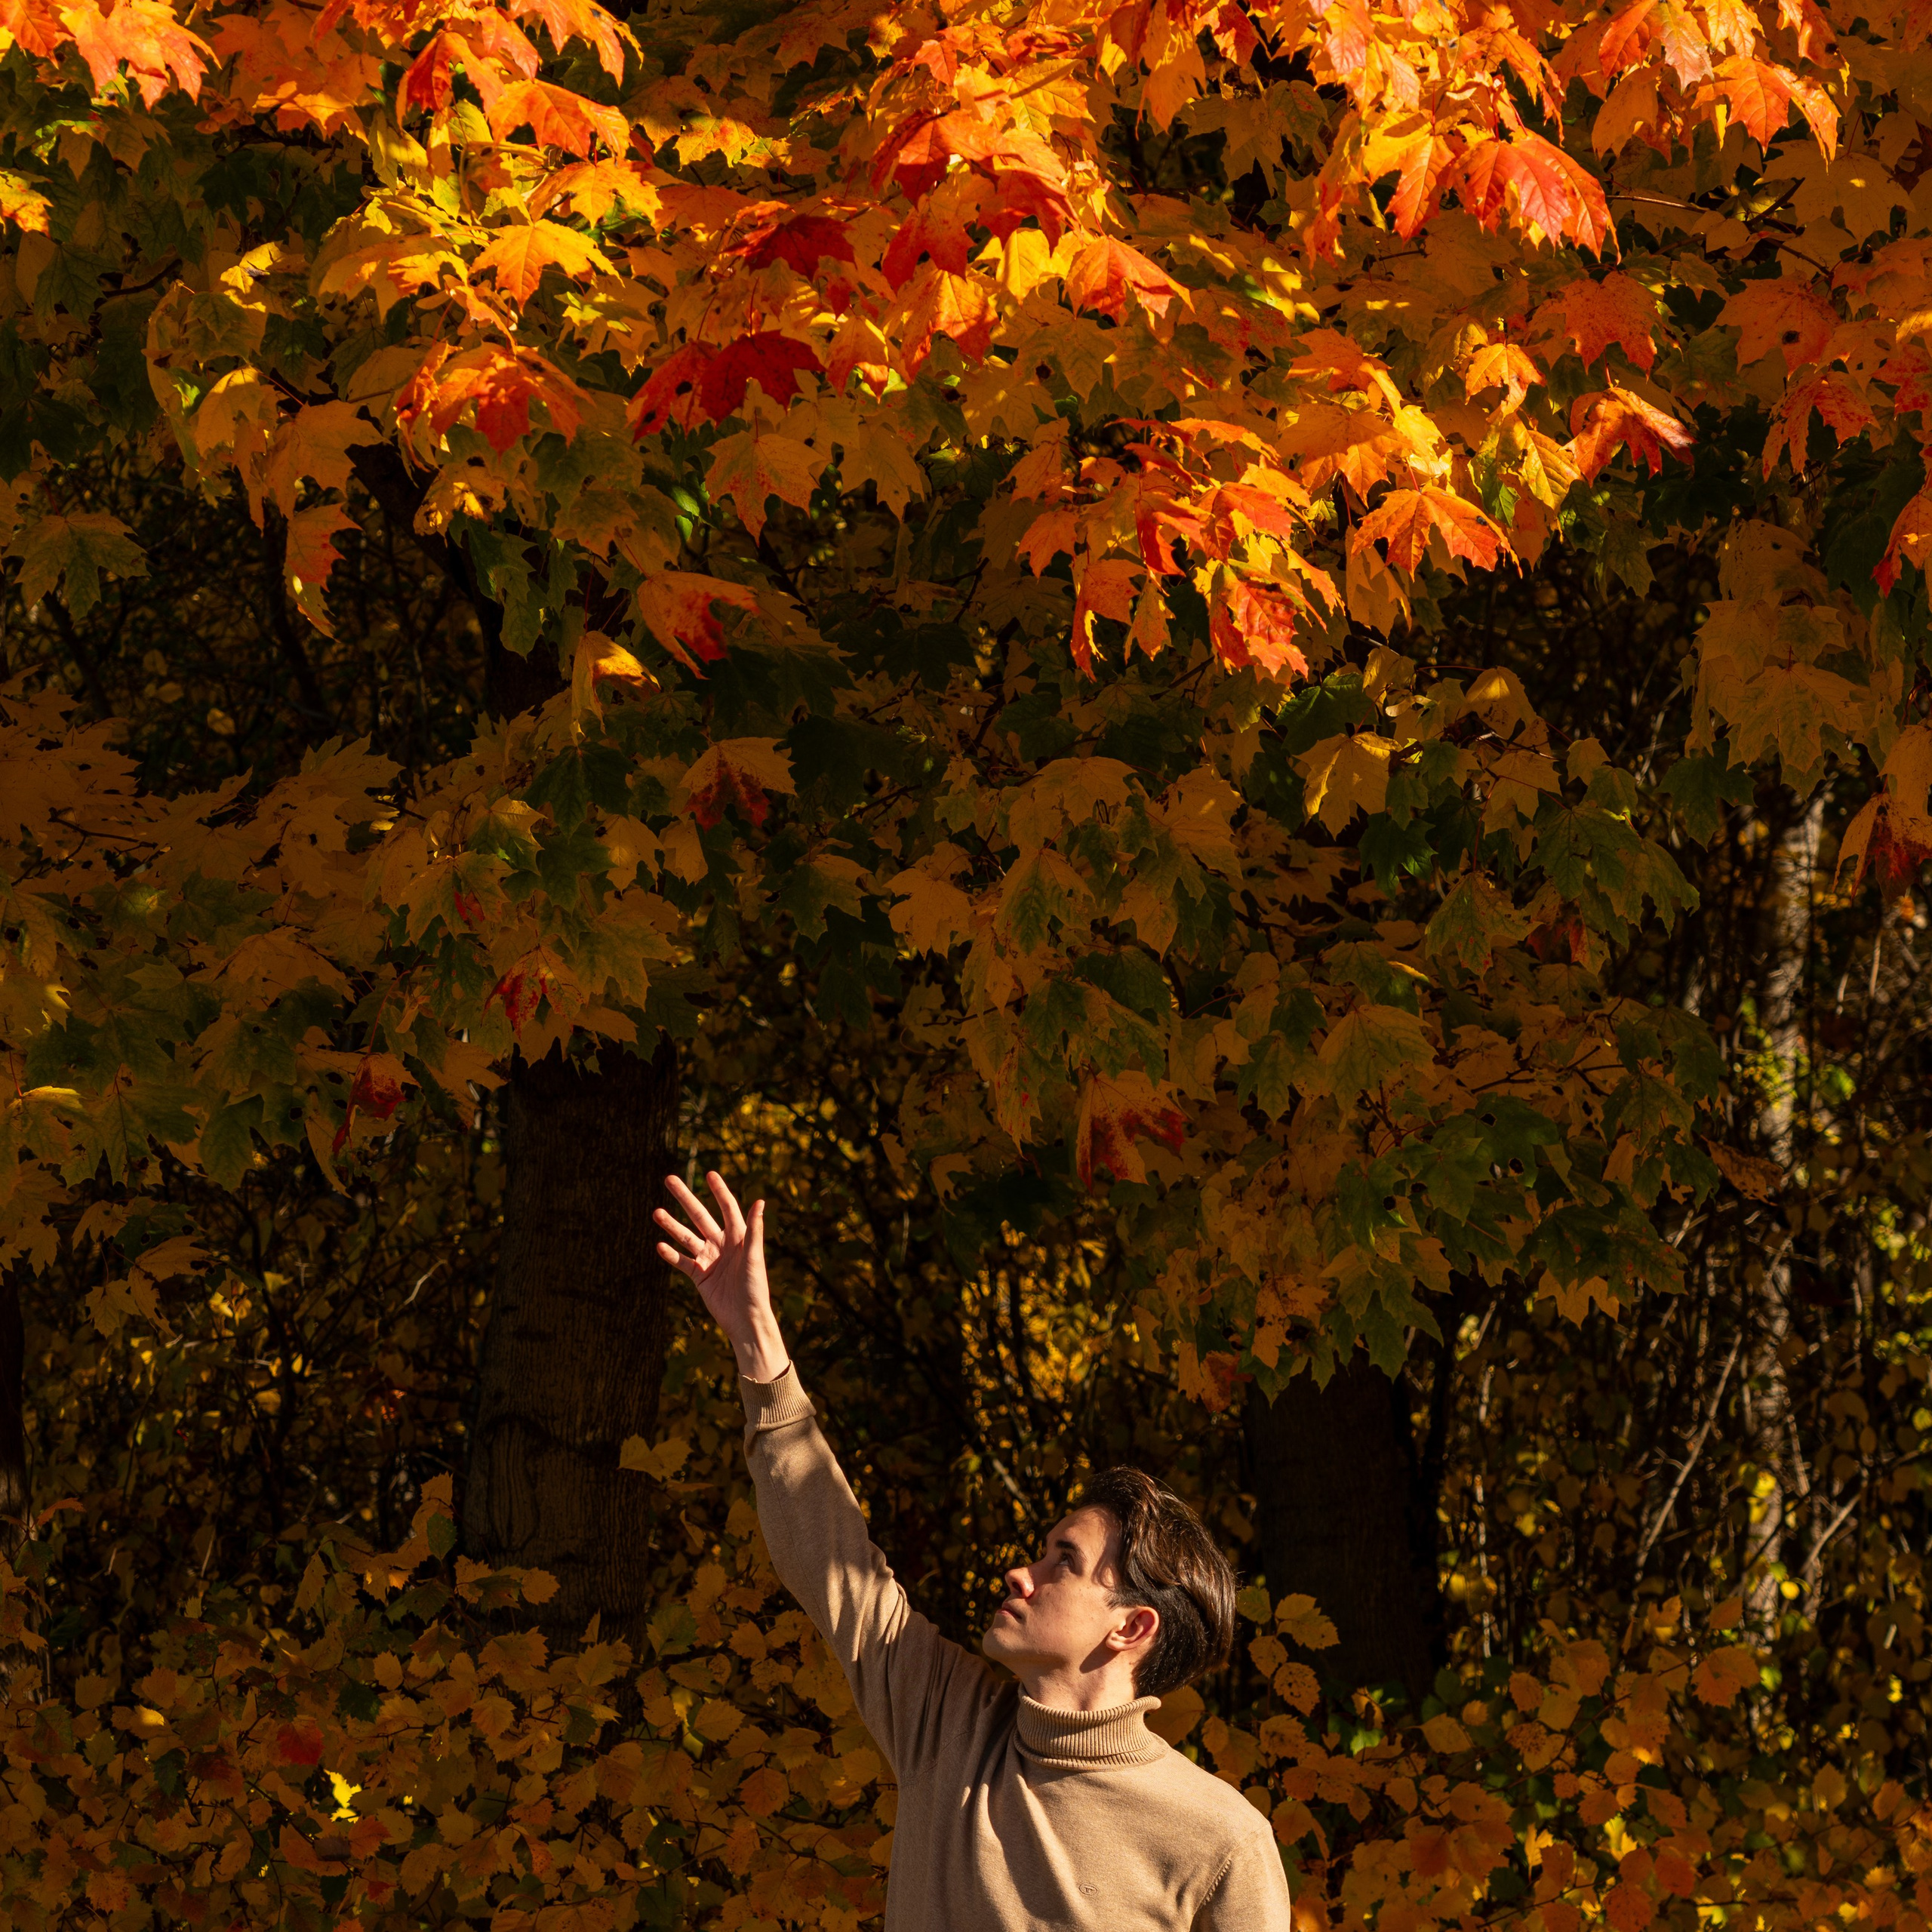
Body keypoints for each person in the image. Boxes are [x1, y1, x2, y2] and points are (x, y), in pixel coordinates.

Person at [654, 1171, 1294, 1931]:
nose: (1021, 1572)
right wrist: (757, 1344)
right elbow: (831, 1559)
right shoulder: (947, 1720)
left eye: (1066, 1560)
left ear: (1131, 1626)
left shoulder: (1220, 1842)